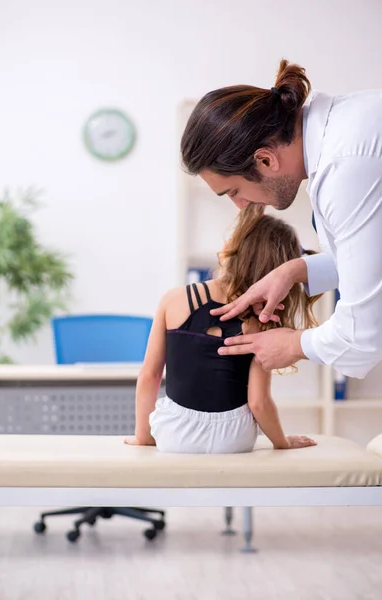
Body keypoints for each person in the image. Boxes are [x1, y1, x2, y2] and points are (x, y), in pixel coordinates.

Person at [181, 59, 382, 379]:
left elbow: (362, 334)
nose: (240, 205)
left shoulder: (345, 167)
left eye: (233, 191)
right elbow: (373, 260)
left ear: (265, 159)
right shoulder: (341, 132)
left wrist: (293, 344)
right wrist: (294, 271)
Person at [125, 205, 318, 453]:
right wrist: (282, 442)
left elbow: (149, 376)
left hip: (175, 432)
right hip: (235, 436)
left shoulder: (172, 300)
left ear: (229, 249)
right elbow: (258, 403)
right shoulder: (262, 319)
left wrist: (143, 437)